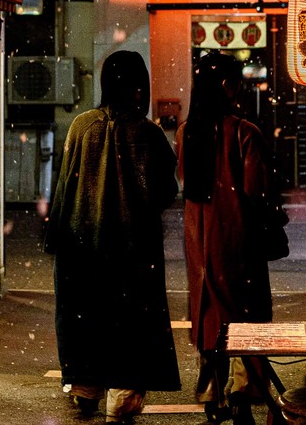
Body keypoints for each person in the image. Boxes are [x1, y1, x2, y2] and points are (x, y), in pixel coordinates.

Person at [44, 50, 181, 424]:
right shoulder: (149, 134)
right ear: (139, 87)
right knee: (131, 320)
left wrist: (55, 235)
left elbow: (64, 188)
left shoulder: (81, 127)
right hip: (132, 247)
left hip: (81, 244)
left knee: (83, 314)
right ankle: (123, 394)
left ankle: (85, 386)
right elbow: (166, 192)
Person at [179, 52, 279, 425]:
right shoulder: (244, 132)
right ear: (227, 86)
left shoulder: (186, 132)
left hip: (199, 242)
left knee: (208, 315)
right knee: (246, 314)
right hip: (238, 239)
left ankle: (212, 392)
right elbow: (257, 192)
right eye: (237, 83)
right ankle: (245, 389)